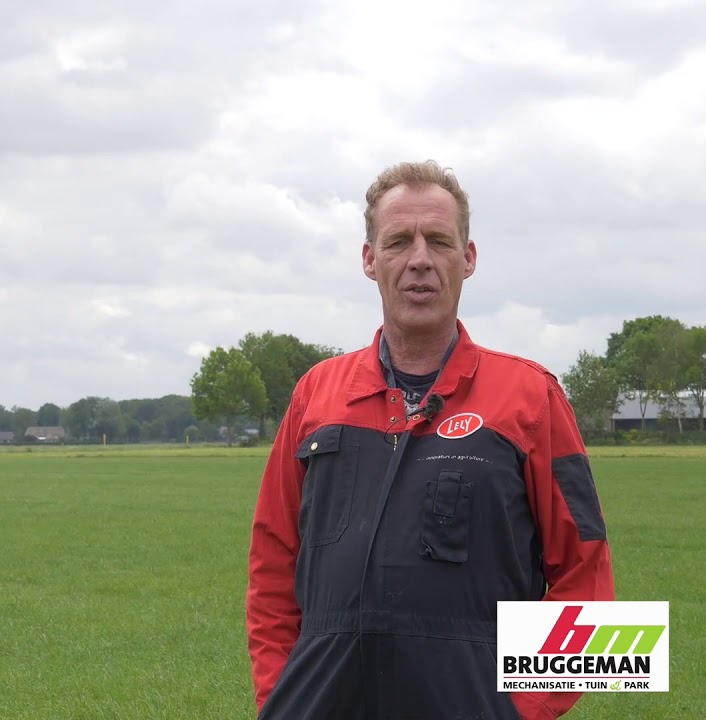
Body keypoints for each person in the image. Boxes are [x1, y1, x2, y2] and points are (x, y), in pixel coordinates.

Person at [245, 160, 615, 719]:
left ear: (468, 258)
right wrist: (281, 698)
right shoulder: (315, 396)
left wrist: (515, 708)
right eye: (398, 241)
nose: (419, 259)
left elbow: (586, 575)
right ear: (370, 260)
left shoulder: (531, 397)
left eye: (439, 240)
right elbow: (272, 566)